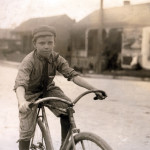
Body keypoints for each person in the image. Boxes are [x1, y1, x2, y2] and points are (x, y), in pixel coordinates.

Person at [14, 25, 107, 150]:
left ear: (54, 43)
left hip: (48, 89)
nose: (46, 46)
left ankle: (65, 146)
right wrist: (22, 101)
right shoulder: (28, 61)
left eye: (50, 42)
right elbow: (20, 84)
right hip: (28, 93)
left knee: (67, 108)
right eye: (42, 43)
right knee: (26, 131)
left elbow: (73, 75)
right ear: (34, 44)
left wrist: (93, 89)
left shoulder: (56, 58)